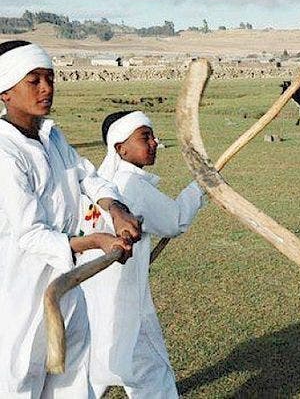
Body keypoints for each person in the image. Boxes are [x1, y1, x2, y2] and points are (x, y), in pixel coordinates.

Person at [0, 40, 141, 398]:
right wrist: (96, 241)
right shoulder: (4, 152)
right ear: (5, 91)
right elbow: (30, 236)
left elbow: (86, 176)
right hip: (18, 289)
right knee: (20, 381)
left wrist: (116, 210)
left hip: (64, 282)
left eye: (50, 78)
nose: (47, 89)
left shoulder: (52, 136)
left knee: (73, 380)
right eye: (34, 81)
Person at [78, 110, 205, 398]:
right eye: (144, 137)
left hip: (92, 299)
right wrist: (201, 185)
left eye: (153, 136)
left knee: (95, 365)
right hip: (124, 300)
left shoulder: (99, 186)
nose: (154, 142)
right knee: (151, 371)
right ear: (120, 148)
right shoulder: (130, 185)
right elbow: (175, 221)